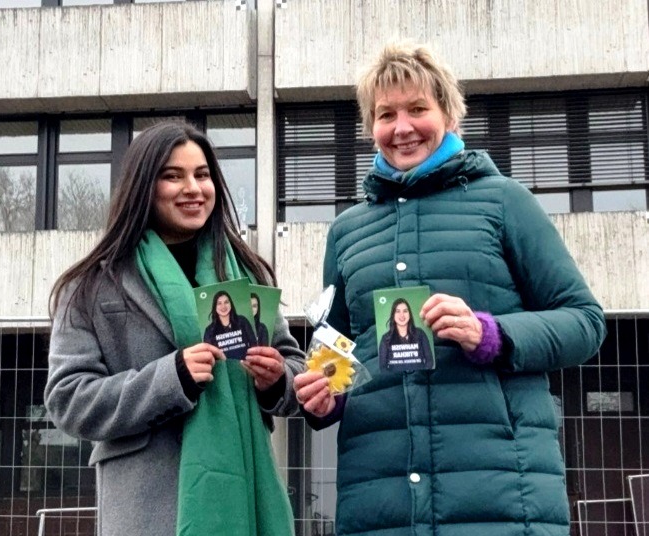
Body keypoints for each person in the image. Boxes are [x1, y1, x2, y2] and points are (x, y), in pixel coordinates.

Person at [293, 40, 606, 536]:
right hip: (381, 501)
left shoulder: (505, 202)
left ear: (448, 114)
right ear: (370, 126)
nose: (402, 127)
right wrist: (324, 394)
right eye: (385, 114)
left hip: (502, 501)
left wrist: (491, 333)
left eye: (418, 108)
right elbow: (338, 353)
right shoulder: (346, 231)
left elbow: (585, 322)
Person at [44, 121, 305, 536]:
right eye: (172, 176)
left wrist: (276, 381)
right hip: (147, 512)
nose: (193, 188)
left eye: (202, 175)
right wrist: (172, 378)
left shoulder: (247, 275)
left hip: (247, 499)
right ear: (143, 186)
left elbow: (296, 371)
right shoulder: (93, 284)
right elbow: (68, 399)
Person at [378, 297, 433, 371]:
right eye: (398, 311)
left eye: (405, 311)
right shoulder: (386, 338)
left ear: (409, 314)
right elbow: (382, 367)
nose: (402, 315)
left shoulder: (420, 334)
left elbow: (429, 361)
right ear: (393, 315)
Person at [203, 290, 257, 359]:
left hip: (246, 366)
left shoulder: (242, 321)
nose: (223, 306)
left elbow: (254, 344)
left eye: (226, 302)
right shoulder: (209, 330)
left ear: (231, 304)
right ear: (215, 307)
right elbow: (209, 357)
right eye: (219, 303)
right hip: (223, 368)